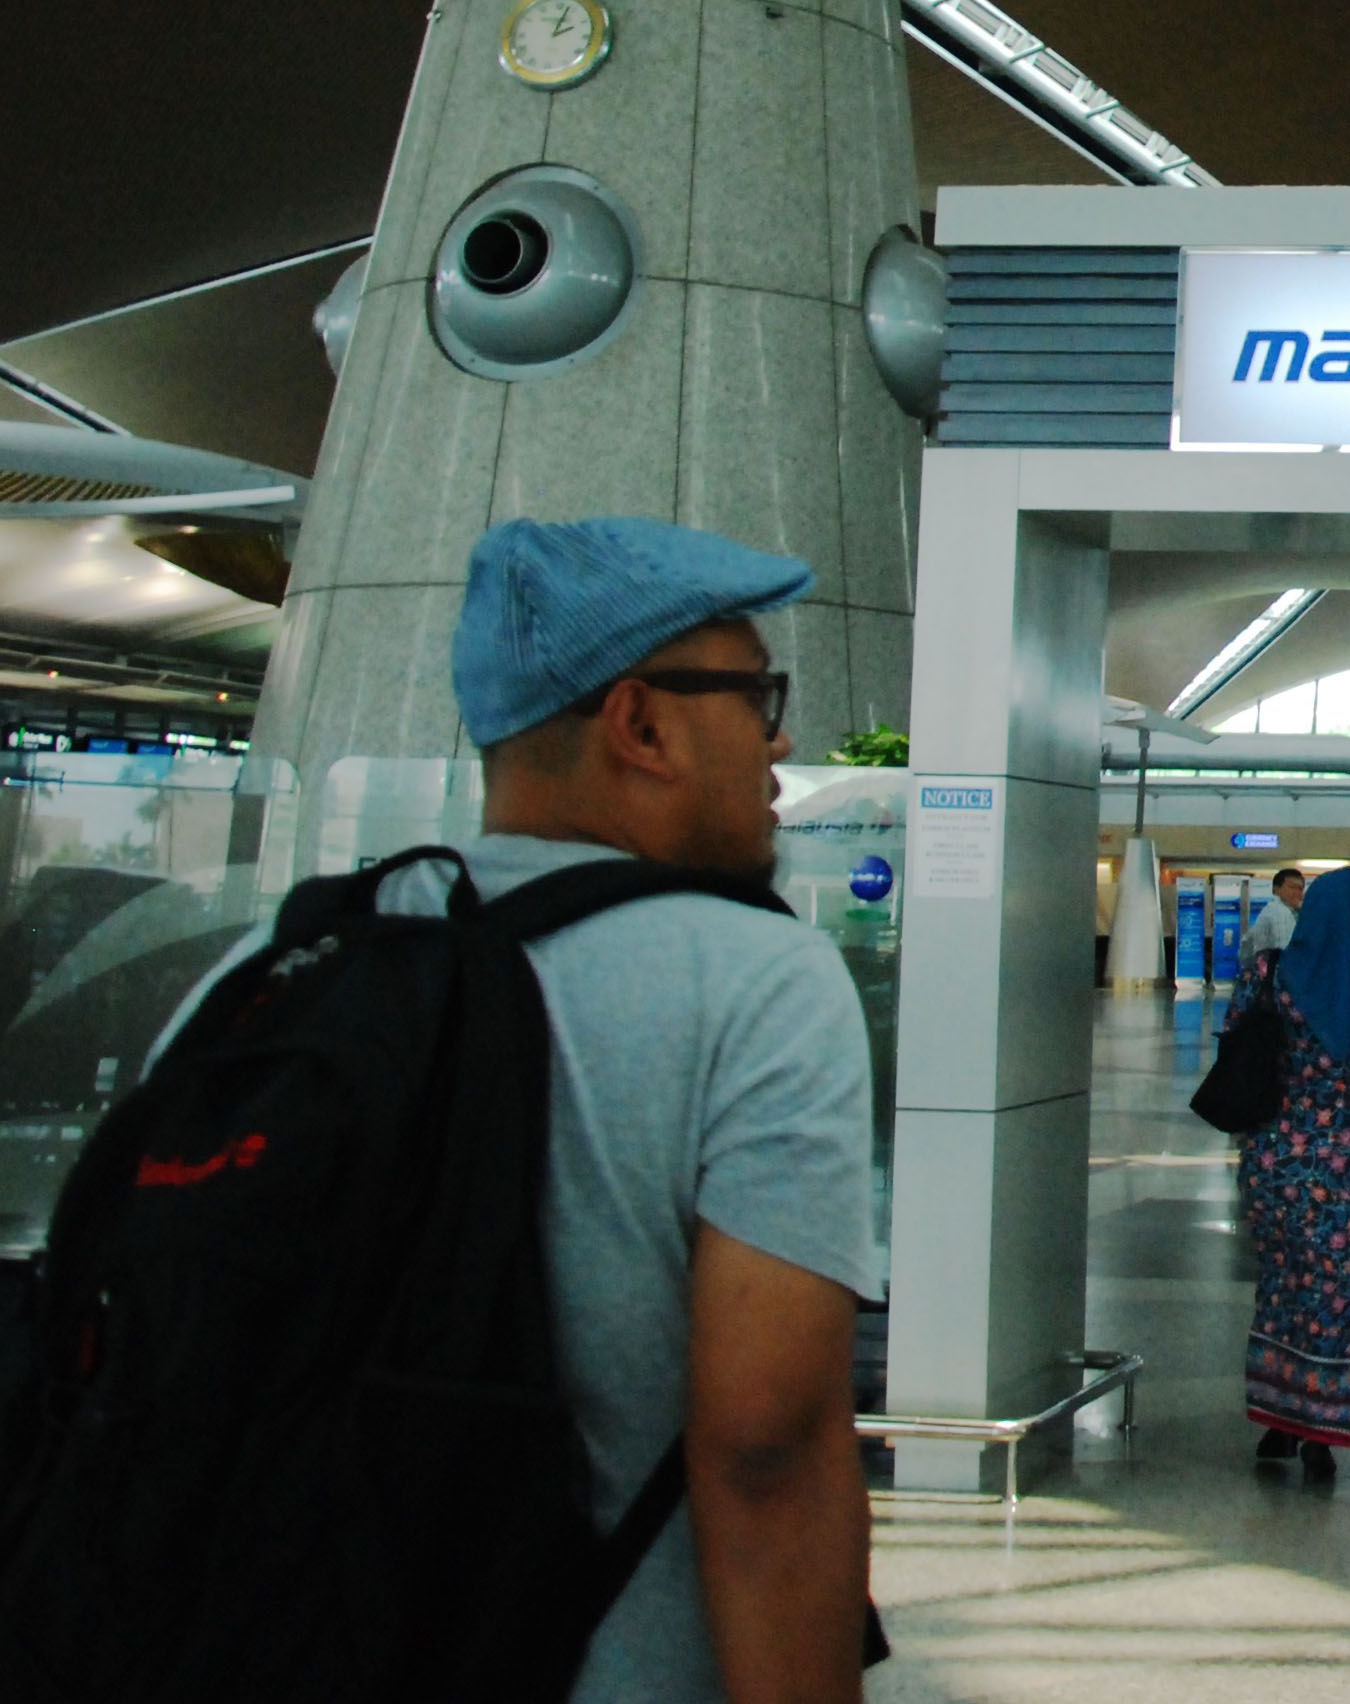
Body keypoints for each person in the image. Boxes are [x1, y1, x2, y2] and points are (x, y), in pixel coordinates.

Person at [160, 517, 881, 1701]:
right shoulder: (755, 981)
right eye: (757, 693)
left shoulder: (272, 970)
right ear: (641, 723)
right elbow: (767, 1445)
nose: (780, 735)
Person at [1225, 868, 1350, 1476]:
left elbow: (1232, 1039)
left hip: (1273, 1157)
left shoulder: (1267, 974)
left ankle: (1276, 1423)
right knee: (1341, 1295)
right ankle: (1320, 1433)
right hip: (1342, 1166)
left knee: (1282, 1284)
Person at [1239, 866, 1307, 963]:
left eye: (1300, 889)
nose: (1297, 892)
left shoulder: (1273, 909)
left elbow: (1246, 945)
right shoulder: (1279, 912)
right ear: (1276, 889)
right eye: (1292, 887)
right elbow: (1284, 950)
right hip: (1280, 973)